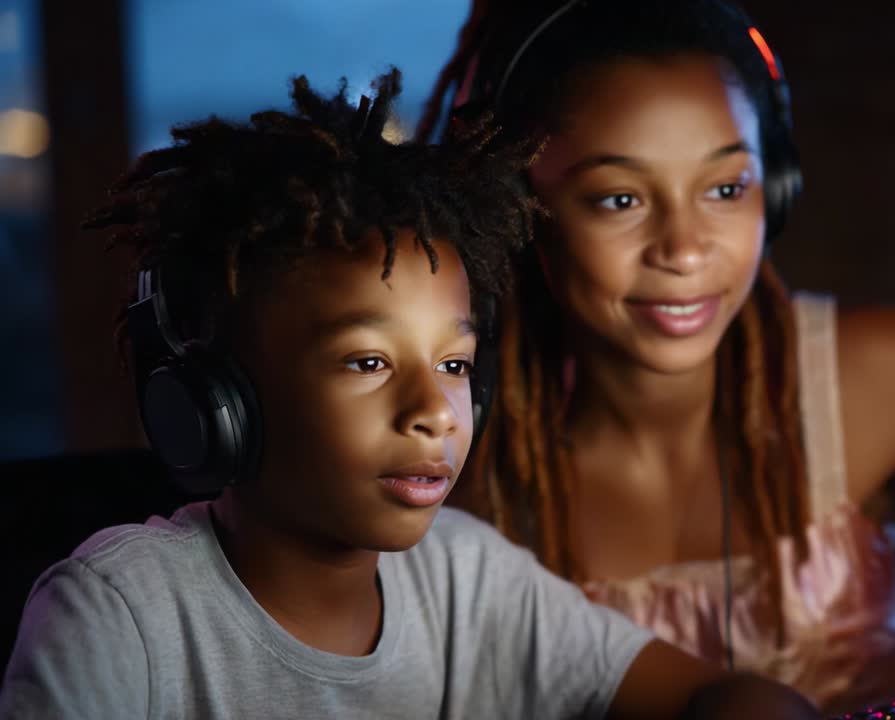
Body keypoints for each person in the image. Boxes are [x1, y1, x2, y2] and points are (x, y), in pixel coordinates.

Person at [0, 68, 819, 720]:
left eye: (456, 366)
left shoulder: (468, 579)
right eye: (367, 364)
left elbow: (714, 694)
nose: (434, 409)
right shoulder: (116, 620)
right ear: (219, 406)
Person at [420, 0, 895, 711]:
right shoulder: (459, 480)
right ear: (517, 210)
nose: (685, 250)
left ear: (775, 188)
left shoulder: (886, 379)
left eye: (726, 189)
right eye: (619, 198)